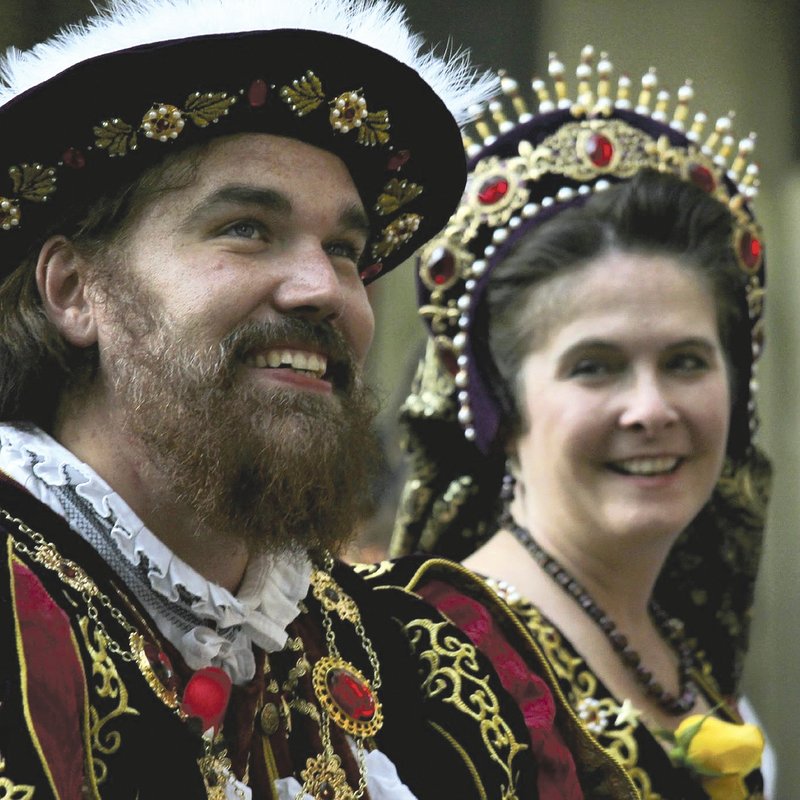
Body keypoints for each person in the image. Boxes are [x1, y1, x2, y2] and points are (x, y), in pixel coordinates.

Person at [0, 6, 641, 799]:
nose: (324, 291)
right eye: (246, 228)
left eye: (344, 249)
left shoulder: (433, 669)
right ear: (73, 290)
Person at [392, 48, 770, 800]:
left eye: (688, 362)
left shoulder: (690, 658)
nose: (652, 408)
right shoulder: (430, 661)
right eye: (595, 366)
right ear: (501, 407)